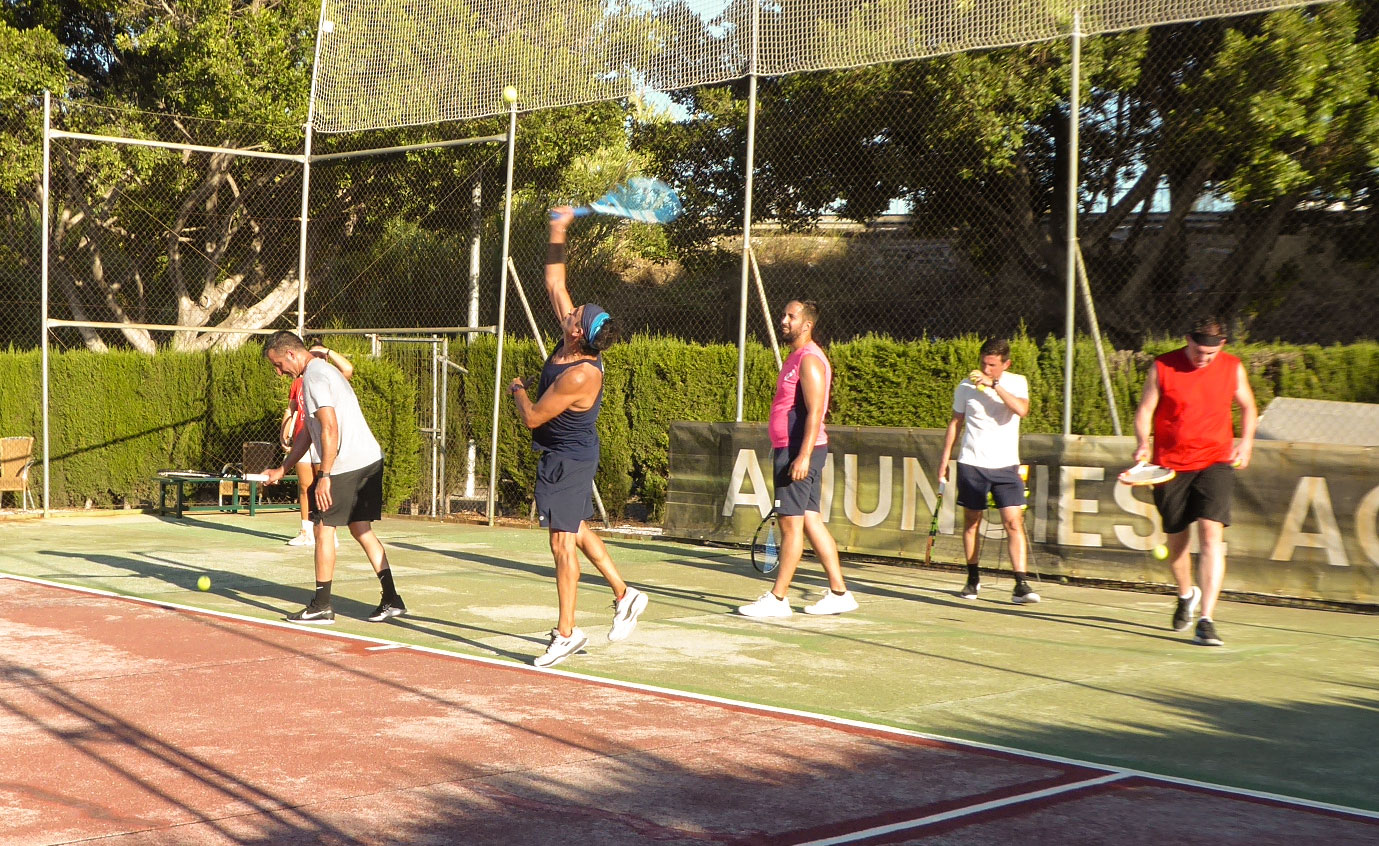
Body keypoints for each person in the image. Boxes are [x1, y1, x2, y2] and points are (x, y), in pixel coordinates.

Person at [508, 206, 649, 668]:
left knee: (560, 543)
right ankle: (626, 595)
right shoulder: (573, 337)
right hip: (558, 455)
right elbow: (554, 281)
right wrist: (557, 229)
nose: (574, 308)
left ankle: (566, 633)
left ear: (577, 331)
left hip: (569, 460)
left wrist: (519, 391)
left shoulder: (580, 374)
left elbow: (531, 418)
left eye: (579, 313)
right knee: (577, 529)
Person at [262, 330, 405, 625]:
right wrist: (283, 469)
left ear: (291, 354)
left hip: (346, 464)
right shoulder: (320, 372)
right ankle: (392, 599)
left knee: (323, 529)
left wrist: (325, 475)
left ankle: (321, 605)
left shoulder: (313, 377)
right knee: (361, 529)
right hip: (368, 459)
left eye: (278, 365)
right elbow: (307, 433)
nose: (278, 372)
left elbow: (329, 428)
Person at [1133, 317, 1256, 647]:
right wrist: (1143, 442)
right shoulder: (1162, 367)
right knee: (1177, 542)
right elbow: (1146, 410)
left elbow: (1247, 406)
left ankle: (1206, 619)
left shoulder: (1232, 367)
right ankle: (1186, 594)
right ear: (1187, 339)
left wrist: (1246, 442)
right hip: (1170, 466)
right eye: (1199, 351)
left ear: (1222, 346)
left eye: (1211, 353)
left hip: (1215, 461)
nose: (1204, 358)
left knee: (1211, 530)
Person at [738, 299, 857, 619]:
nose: (784, 320)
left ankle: (778, 600)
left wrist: (802, 455)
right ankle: (840, 593)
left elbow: (816, 412)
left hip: (798, 451)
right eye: (784, 314)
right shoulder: (796, 357)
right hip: (792, 449)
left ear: (807, 325)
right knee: (811, 521)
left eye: (791, 316)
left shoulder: (810, 360)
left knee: (792, 526)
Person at [936, 338, 1038, 604]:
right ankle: (972, 579)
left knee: (1014, 522)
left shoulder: (1017, 382)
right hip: (972, 463)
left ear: (1006, 364)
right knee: (972, 523)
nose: (986, 368)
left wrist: (994, 385)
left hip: (1006, 466)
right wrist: (945, 459)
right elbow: (956, 423)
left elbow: (1022, 410)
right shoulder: (965, 386)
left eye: (992, 365)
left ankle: (1021, 584)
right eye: (983, 363)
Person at [280, 344, 354, 548]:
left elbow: (348, 370)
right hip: (303, 437)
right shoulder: (298, 382)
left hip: (322, 439)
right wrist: (284, 431)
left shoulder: (331, 378)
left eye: (318, 355)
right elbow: (291, 409)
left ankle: (328, 530)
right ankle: (306, 532)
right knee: (304, 486)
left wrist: (328, 351)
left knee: (323, 485)